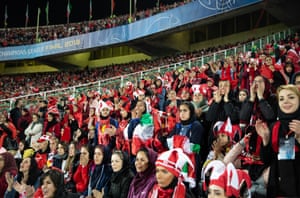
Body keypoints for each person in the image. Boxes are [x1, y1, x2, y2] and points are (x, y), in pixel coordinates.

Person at [255, 84, 300, 197]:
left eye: (291, 97)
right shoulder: (274, 126)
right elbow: (267, 160)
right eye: (281, 98)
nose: (286, 101)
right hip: (278, 187)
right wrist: (265, 140)